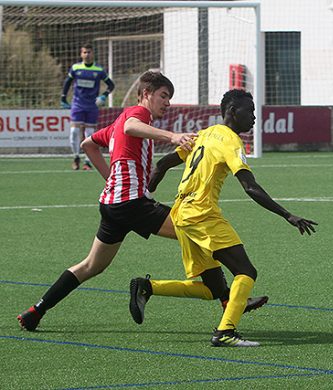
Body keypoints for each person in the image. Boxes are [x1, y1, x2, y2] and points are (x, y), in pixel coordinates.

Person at [17, 72, 266, 332]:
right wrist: (171, 136)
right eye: (163, 96)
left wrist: (112, 180)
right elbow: (130, 127)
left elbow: (88, 144)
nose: (167, 103)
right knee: (195, 226)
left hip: (113, 204)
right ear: (146, 94)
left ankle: (36, 311)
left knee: (91, 265)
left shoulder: (117, 122)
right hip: (132, 203)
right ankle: (228, 299)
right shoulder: (138, 114)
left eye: (169, 98)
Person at [130, 89, 318, 347]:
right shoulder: (231, 141)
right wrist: (287, 215)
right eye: (249, 111)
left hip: (181, 214)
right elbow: (250, 187)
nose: (253, 117)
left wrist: (147, 195)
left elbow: (162, 164)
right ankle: (226, 332)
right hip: (202, 214)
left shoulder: (204, 134)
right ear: (233, 112)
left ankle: (147, 287)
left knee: (213, 289)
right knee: (246, 272)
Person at [61, 43, 115, 171]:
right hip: (77, 104)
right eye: (84, 52)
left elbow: (111, 85)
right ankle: (76, 157)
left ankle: (87, 161)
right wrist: (63, 97)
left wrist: (103, 96)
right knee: (74, 132)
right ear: (81, 54)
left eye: (89, 52)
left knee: (90, 134)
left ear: (93, 53)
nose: (87, 54)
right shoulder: (75, 68)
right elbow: (67, 83)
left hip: (92, 106)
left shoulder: (99, 70)